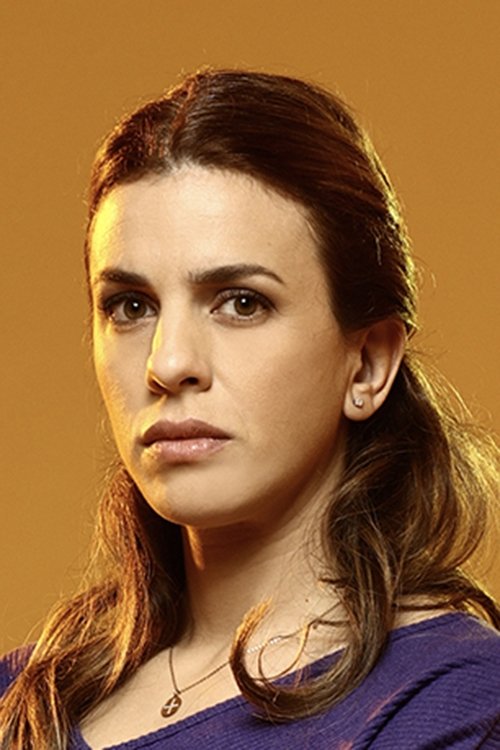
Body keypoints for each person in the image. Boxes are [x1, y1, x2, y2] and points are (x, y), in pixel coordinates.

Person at [1, 68, 499, 750]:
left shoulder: (454, 703)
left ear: (368, 364)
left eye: (241, 302)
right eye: (131, 306)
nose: (168, 363)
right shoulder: (24, 700)